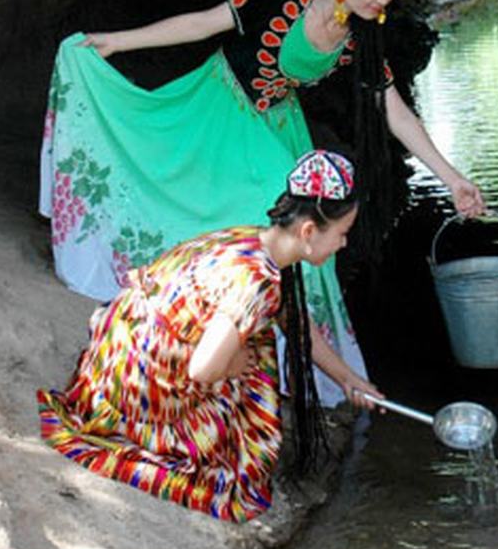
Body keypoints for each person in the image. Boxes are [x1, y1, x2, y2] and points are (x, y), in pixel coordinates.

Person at [39, 0, 484, 406]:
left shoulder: (360, 37)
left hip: (276, 127)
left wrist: (451, 178)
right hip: (220, 109)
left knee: (302, 231)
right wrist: (118, 41)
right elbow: (202, 23)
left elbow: (392, 108)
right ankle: (215, 329)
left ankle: (284, 357)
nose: (382, 0)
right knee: (240, 211)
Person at [36, 150, 383, 523]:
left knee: (253, 338)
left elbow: (296, 325)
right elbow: (203, 368)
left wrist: (349, 380)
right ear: (309, 232)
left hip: (120, 349)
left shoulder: (254, 240)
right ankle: (177, 434)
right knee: (255, 366)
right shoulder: (257, 282)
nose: (343, 245)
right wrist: (234, 363)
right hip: (139, 385)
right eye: (342, 234)